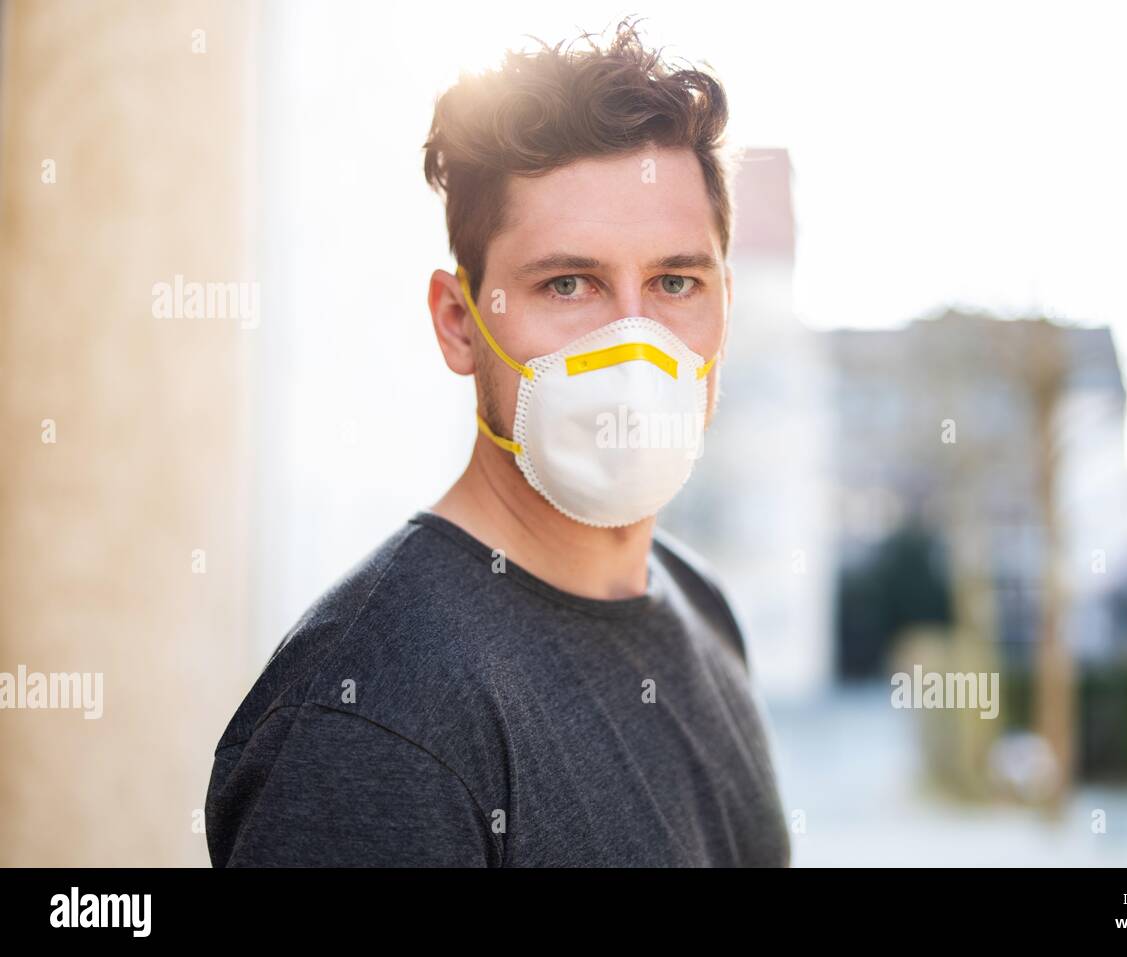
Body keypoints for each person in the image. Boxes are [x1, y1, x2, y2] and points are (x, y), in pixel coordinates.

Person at [205, 16, 791, 867]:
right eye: (568, 282)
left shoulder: (703, 610)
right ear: (459, 322)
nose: (635, 345)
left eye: (674, 281)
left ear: (724, 310)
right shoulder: (373, 716)